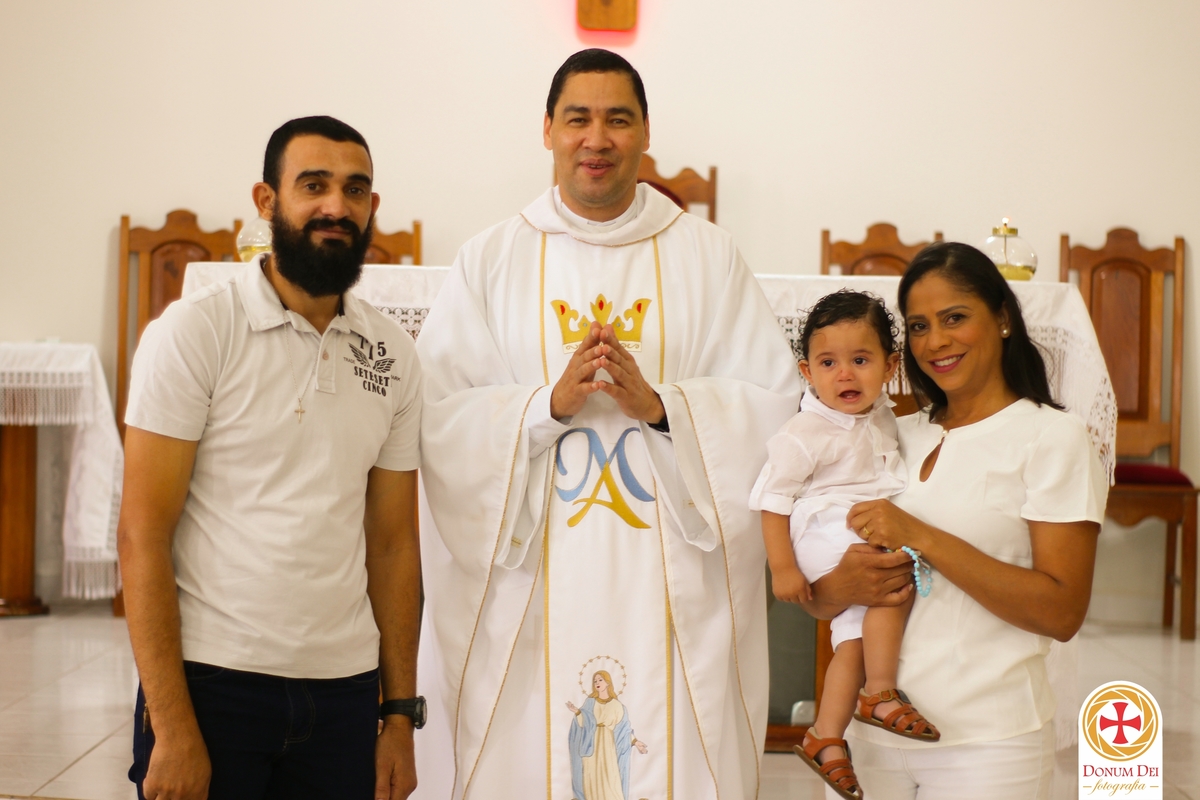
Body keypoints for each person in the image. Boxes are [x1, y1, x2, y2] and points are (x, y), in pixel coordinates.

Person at [413, 49, 802, 799]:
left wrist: (663, 408)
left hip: (670, 571)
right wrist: (544, 407)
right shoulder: (490, 260)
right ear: (548, 130)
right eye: (578, 119)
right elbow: (438, 418)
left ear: (646, 132)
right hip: (532, 569)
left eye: (618, 119)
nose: (597, 139)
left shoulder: (707, 256)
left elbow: (772, 406)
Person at [118, 116, 423, 800]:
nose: (336, 206)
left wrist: (399, 715)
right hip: (214, 680)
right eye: (313, 185)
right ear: (266, 201)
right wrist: (172, 725)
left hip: (344, 690)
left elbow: (394, 542)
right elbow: (142, 533)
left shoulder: (393, 354)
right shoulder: (197, 331)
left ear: (372, 206)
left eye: (355, 189)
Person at [825, 242, 1107, 799]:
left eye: (954, 318)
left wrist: (920, 535)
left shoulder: (1052, 437)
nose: (935, 341)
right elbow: (824, 599)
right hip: (871, 733)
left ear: (1002, 318)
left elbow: (1061, 612)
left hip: (987, 741)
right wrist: (836, 585)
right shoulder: (891, 432)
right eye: (919, 326)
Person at [750, 290, 938, 800]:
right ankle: (879, 692)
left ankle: (826, 736)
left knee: (852, 641)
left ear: (890, 366)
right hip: (823, 532)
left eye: (860, 360)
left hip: (852, 527)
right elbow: (772, 500)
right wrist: (782, 568)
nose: (845, 375)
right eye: (828, 363)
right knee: (890, 589)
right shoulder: (804, 431)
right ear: (807, 372)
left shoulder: (880, 415)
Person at [565, 671, 649, 800]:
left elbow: (623, 731)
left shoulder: (617, 705)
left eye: (600, 680)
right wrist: (577, 712)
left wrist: (636, 742)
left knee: (610, 776)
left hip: (607, 744)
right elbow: (583, 722)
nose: (597, 683)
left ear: (608, 683)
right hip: (591, 744)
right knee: (591, 776)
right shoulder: (590, 702)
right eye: (595, 681)